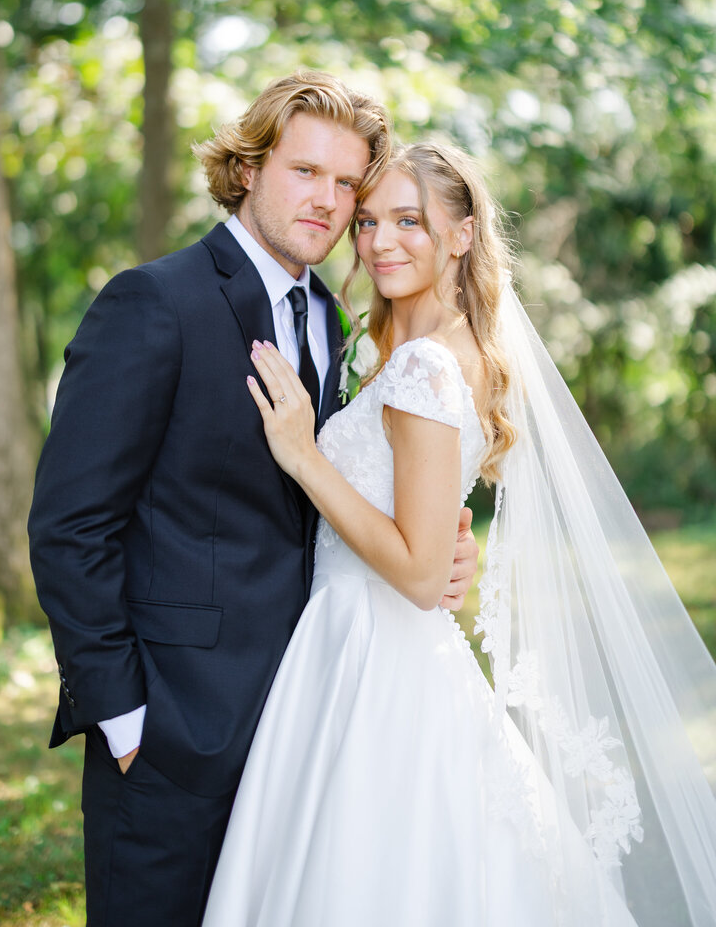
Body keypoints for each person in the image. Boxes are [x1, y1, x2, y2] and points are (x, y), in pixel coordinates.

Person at [202, 140, 716, 927]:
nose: (379, 242)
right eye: (368, 222)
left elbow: (413, 573)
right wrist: (447, 543)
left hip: (376, 655)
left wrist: (305, 457)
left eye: (409, 221)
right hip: (363, 643)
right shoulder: (412, 351)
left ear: (464, 233)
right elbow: (427, 532)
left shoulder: (425, 369)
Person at [27, 73, 480, 927]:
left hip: (306, 730)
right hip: (171, 736)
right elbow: (69, 526)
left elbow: (343, 495)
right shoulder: (154, 303)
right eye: (305, 171)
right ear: (248, 169)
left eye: (348, 184)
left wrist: (442, 545)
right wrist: (124, 719)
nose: (328, 200)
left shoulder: (339, 325)